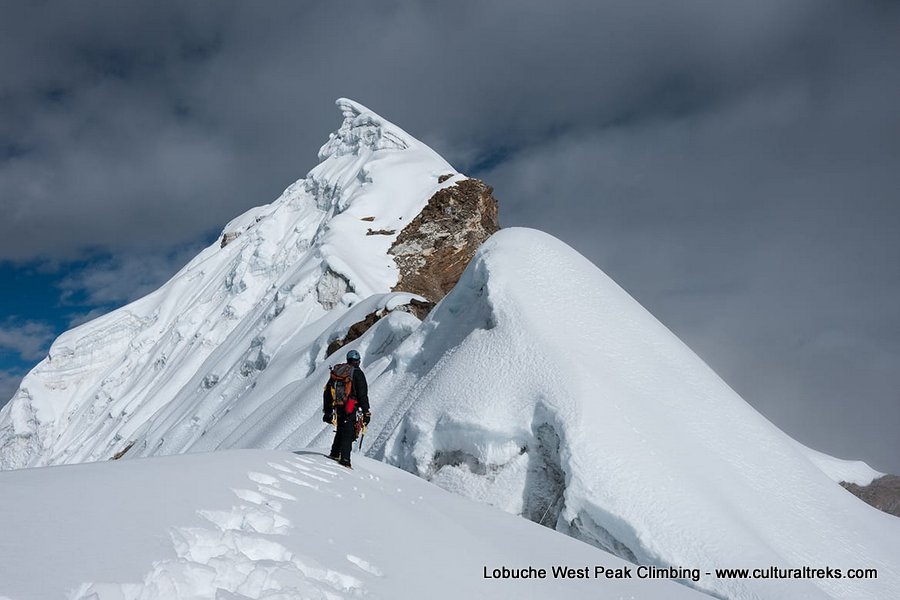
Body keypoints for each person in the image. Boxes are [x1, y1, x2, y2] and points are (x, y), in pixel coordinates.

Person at [323, 349, 371, 468]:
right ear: (358, 361)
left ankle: (335, 453)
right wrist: (366, 412)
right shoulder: (357, 373)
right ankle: (345, 460)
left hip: (338, 405)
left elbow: (327, 392)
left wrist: (328, 411)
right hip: (350, 405)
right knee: (348, 431)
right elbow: (362, 394)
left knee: (341, 428)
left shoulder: (338, 372)